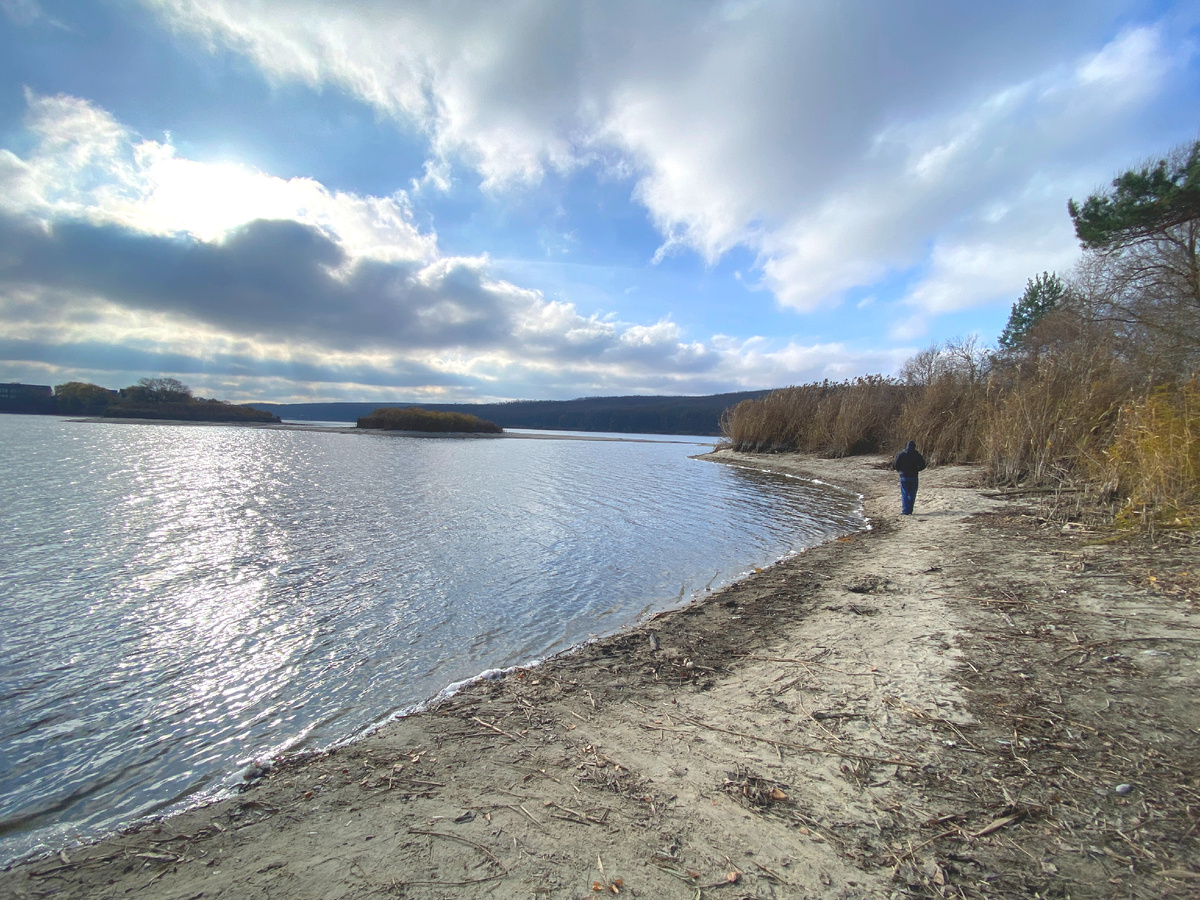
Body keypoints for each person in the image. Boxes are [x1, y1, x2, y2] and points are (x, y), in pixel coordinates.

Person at [893, 440, 927, 515]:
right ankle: (910, 510)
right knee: (912, 494)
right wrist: (917, 470)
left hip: (904, 476)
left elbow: (896, 465)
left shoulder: (902, 454)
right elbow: (923, 465)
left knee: (905, 493)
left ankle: (905, 511)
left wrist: (900, 471)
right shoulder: (917, 455)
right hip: (913, 476)